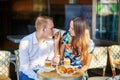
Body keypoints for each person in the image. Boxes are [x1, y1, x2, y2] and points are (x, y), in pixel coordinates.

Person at [19, 16, 61, 80]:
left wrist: (56, 43)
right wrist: (37, 78)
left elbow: (51, 62)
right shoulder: (25, 42)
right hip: (28, 73)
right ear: (43, 29)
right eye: (51, 28)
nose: (54, 31)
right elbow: (25, 68)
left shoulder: (50, 41)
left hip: (44, 72)